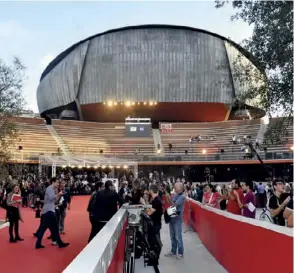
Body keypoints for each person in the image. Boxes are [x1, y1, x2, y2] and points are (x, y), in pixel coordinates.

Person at [35, 177, 70, 249]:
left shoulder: (51, 189)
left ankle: (38, 244)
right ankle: (59, 243)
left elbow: (54, 200)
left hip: (48, 211)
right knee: (54, 228)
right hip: (49, 211)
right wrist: (58, 194)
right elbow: (51, 198)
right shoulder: (50, 188)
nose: (58, 183)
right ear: (53, 182)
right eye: (57, 182)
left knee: (44, 228)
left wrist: (60, 194)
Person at [165, 182, 185, 260]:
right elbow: (170, 203)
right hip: (172, 217)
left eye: (175, 187)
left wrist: (169, 198)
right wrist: (168, 198)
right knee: (172, 236)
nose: (174, 188)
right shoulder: (175, 195)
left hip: (177, 219)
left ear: (179, 188)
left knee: (178, 237)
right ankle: (173, 251)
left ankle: (180, 253)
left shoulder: (182, 197)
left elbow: (174, 204)